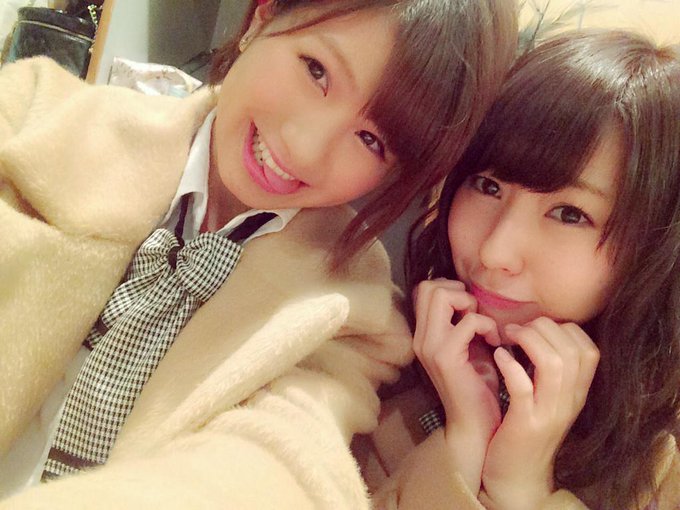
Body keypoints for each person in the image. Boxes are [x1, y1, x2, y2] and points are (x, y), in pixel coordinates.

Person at [0, 0, 517, 507]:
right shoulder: (35, 117)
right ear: (263, 17)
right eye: (316, 71)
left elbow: (286, 460)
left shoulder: (353, 307)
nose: (306, 149)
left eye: (371, 139)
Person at [355, 30, 680, 509]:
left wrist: (522, 488)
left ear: (654, 245)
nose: (494, 252)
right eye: (487, 186)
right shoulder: (374, 351)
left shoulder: (662, 465)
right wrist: (466, 436)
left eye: (569, 214)